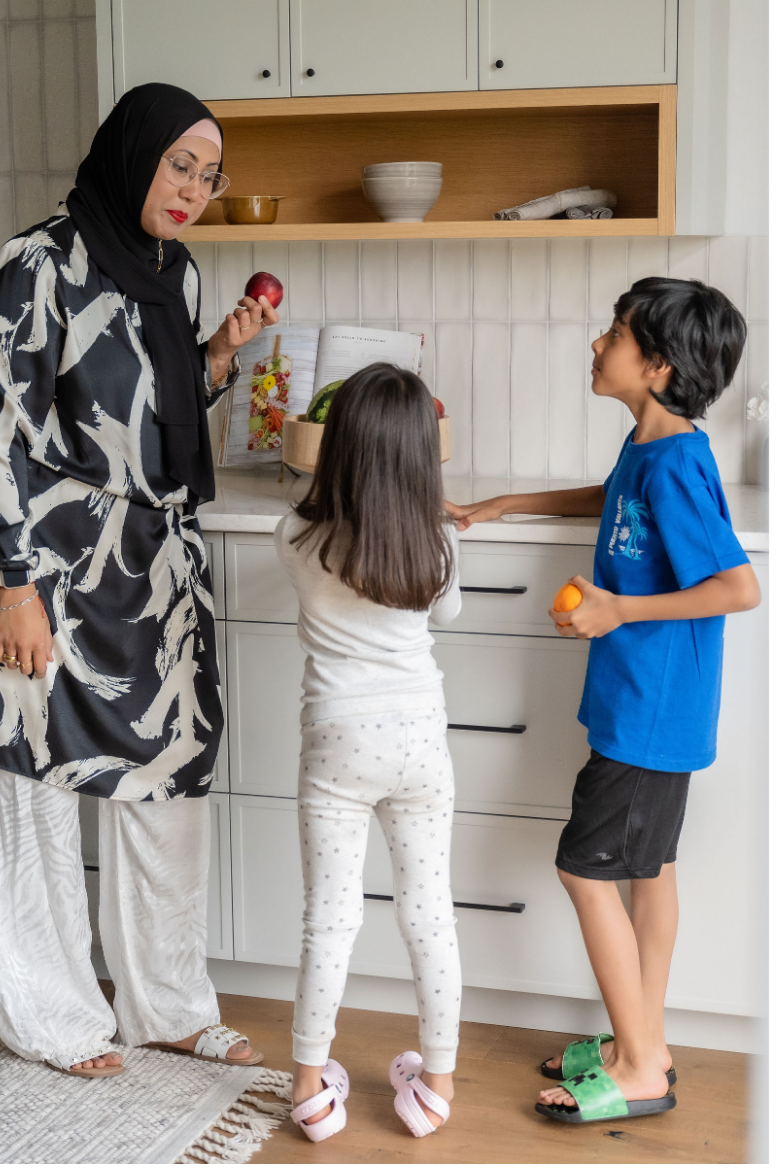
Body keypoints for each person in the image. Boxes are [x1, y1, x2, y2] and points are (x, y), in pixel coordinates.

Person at [0, 83, 280, 1077]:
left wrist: (218, 356)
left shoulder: (177, 272)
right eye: (179, 166)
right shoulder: (36, 266)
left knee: (171, 784)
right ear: (132, 156)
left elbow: (150, 412)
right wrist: (12, 585)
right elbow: (5, 432)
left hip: (158, 570)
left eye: (210, 176)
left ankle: (167, 1007)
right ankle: (52, 1017)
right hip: (51, 573)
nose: (193, 190)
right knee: (37, 789)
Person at [447, 278, 760, 1125]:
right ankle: (640, 1040)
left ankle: (641, 1068)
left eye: (614, 334)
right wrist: (509, 502)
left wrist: (619, 609)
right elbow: (614, 496)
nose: (596, 344)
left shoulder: (679, 462)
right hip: (650, 707)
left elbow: (738, 588)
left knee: (583, 868)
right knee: (650, 871)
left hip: (650, 711)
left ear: (658, 366)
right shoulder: (651, 447)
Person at [274, 363, 462, 1142]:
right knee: (429, 913)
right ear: (422, 454)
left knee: (329, 918)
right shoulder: (438, 541)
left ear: (338, 443)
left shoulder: (295, 535)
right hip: (419, 743)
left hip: (338, 746)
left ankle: (310, 1090)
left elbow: (323, 523)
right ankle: (436, 1088)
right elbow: (447, 611)